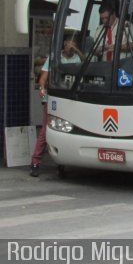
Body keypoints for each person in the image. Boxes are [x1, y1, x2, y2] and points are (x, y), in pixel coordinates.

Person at [30, 35, 84, 177]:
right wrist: (41, 88)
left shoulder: (76, 59)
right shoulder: (54, 58)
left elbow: (87, 65)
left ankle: (61, 163)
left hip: (69, 99)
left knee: (66, 130)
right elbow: (43, 78)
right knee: (45, 130)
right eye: (69, 44)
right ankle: (35, 161)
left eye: (73, 44)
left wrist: (77, 51)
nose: (70, 47)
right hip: (54, 98)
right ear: (64, 44)